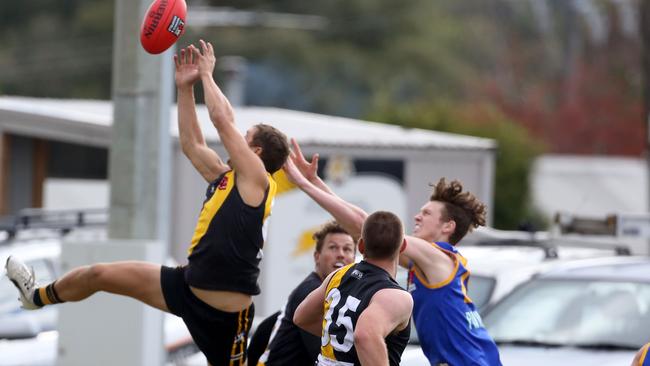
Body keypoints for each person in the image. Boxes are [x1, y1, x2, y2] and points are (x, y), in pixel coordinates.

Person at [4, 40, 290, 366]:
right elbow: (192, 144)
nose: (237, 139)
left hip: (226, 316)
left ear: (255, 153)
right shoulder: (226, 177)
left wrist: (208, 76)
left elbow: (222, 120)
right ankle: (36, 296)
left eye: (246, 137)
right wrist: (184, 89)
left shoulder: (258, 179)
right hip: (186, 286)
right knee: (98, 274)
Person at [283, 139, 502, 366]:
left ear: (448, 226)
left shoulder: (440, 258)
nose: (417, 217)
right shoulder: (425, 264)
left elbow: (366, 226)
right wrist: (316, 182)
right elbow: (371, 232)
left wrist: (305, 184)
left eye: (426, 213)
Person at [293, 211, 413, 366]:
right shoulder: (396, 296)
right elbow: (364, 336)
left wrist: (341, 338)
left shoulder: (339, 275)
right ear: (402, 246)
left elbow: (301, 316)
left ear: (361, 245)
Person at [256, 221, 356, 366]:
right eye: (333, 247)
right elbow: (326, 355)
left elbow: (262, 329)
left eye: (347, 249)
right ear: (317, 256)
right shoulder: (311, 290)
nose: (340, 254)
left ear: (354, 259)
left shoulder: (330, 293)